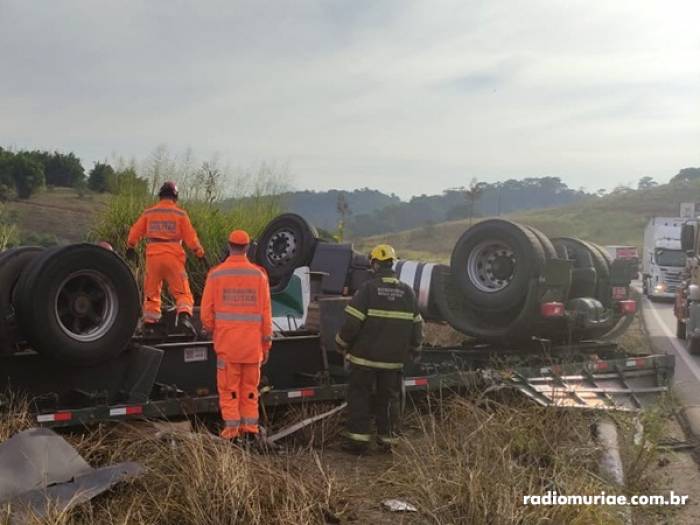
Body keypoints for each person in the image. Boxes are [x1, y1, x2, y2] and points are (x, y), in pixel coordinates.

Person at [335, 244, 423, 454]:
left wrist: (340, 343)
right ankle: (388, 441)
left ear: (374, 265)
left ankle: (358, 442)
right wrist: (414, 349)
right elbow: (417, 327)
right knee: (389, 400)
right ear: (393, 265)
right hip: (393, 361)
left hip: (364, 360)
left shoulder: (368, 290)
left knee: (360, 397)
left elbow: (351, 324)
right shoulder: (408, 293)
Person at [200, 229, 273, 441]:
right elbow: (266, 315)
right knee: (250, 390)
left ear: (228, 246)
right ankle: (250, 432)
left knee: (229, 390)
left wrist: (216, 329)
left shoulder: (216, 274)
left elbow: (206, 314)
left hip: (227, 346)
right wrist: (266, 345)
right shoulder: (259, 275)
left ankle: (231, 433)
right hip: (252, 348)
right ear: (248, 248)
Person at [126, 181, 204, 336]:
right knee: (182, 293)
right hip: (173, 257)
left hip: (153, 258)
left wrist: (130, 246)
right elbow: (191, 237)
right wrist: (199, 252)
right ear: (175, 197)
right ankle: (184, 318)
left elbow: (135, 231)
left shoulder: (149, 213)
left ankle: (150, 324)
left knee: (152, 293)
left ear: (160, 196)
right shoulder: (180, 214)